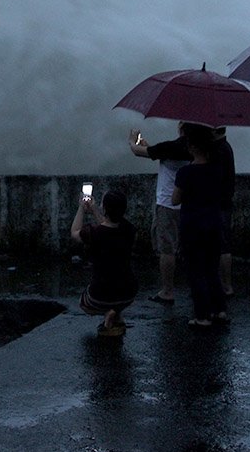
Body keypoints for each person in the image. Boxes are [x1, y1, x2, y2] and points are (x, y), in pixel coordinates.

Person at [171, 125, 229, 328]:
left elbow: (175, 200)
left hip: (192, 226)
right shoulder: (217, 170)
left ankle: (202, 315)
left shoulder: (186, 172)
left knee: (195, 271)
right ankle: (219, 310)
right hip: (213, 224)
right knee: (212, 269)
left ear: (192, 147)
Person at [129, 123, 192, 304]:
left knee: (167, 249)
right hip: (189, 204)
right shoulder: (196, 149)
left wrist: (132, 140)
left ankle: (167, 290)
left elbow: (138, 151)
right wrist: (147, 146)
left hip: (168, 205)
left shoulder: (170, 147)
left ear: (180, 127)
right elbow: (152, 151)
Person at [70, 189, 139, 337]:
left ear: (105, 208)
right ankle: (116, 313)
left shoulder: (94, 233)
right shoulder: (129, 230)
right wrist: (95, 209)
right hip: (129, 293)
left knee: (84, 303)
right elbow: (109, 226)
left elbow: (75, 232)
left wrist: (82, 208)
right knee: (118, 291)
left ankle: (109, 312)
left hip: (100, 295)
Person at [212, 127, 237, 296]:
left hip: (217, 204)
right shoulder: (226, 147)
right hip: (224, 203)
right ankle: (225, 285)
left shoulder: (219, 150)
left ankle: (226, 286)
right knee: (223, 246)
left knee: (221, 247)